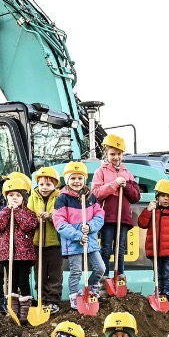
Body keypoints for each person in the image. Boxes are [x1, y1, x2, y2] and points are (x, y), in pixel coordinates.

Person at [91, 133, 141, 283]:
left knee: (120, 248)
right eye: (112, 154)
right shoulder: (101, 172)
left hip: (123, 216)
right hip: (107, 215)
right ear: (106, 154)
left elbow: (135, 196)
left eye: (119, 154)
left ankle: (120, 276)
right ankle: (104, 276)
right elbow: (95, 193)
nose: (116, 157)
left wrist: (126, 187)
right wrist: (114, 184)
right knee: (106, 247)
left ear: (122, 155)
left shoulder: (128, 174)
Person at [54, 161, 106, 302]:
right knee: (76, 271)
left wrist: (89, 227)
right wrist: (78, 235)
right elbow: (60, 223)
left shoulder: (91, 197)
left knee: (100, 268)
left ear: (84, 180)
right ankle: (74, 297)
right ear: (67, 180)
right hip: (73, 242)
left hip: (90, 240)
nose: (76, 181)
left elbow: (100, 216)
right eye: (73, 178)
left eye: (80, 178)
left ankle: (92, 289)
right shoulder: (62, 199)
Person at [0, 175, 40, 319]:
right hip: (7, 254)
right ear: (6, 197)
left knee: (23, 281)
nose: (14, 198)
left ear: (24, 198)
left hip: (24, 255)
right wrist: (7, 211)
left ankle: (25, 311)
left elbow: (29, 226)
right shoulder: (3, 212)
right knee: (11, 282)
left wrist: (17, 211)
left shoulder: (28, 213)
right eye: (11, 195)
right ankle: (13, 310)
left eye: (18, 195)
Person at [28, 166, 64, 311]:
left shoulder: (60, 197)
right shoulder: (32, 198)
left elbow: (62, 215)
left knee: (55, 274)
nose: (44, 187)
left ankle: (54, 301)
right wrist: (36, 219)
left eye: (48, 184)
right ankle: (42, 299)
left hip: (55, 243)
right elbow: (28, 216)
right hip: (37, 243)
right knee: (39, 274)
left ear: (55, 184)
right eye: (41, 184)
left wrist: (51, 217)